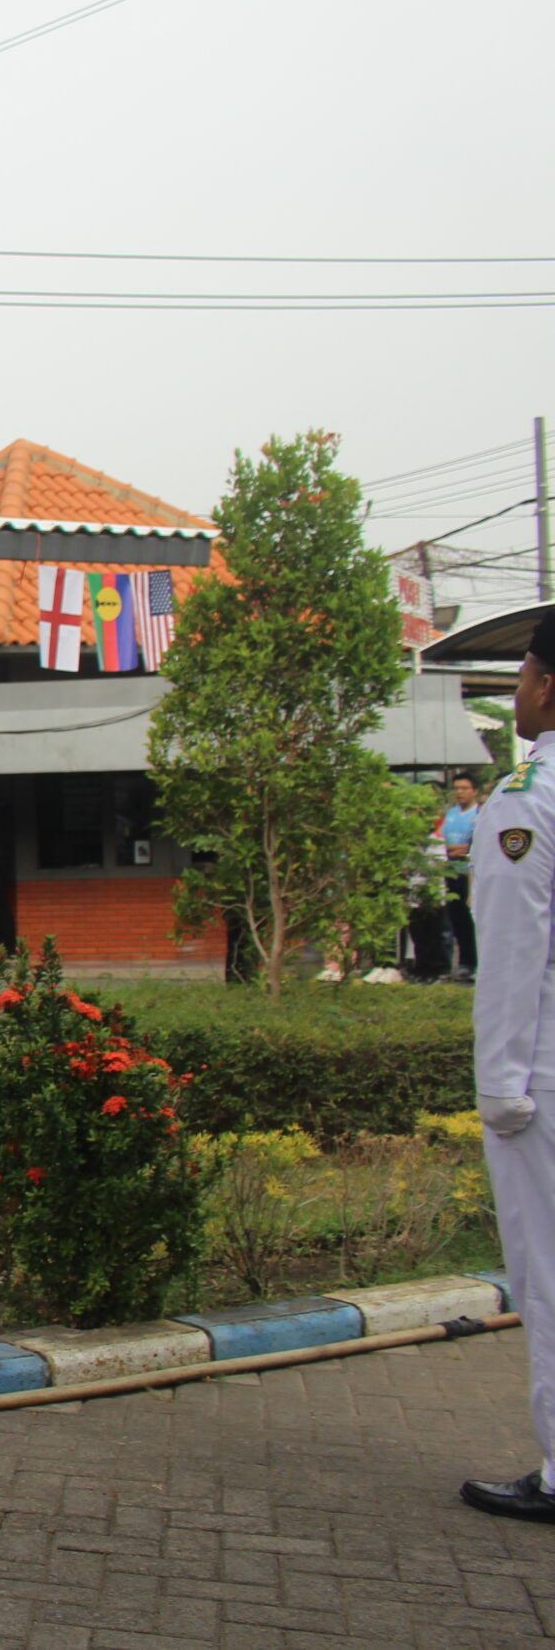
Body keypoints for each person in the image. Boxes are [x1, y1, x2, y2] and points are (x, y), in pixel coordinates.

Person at [460, 615, 555, 1525]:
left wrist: (500, 1087)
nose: (518, 690)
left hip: (545, 1069)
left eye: (524, 672)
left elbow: (515, 955)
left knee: (548, 1268)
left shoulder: (528, 798)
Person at [441, 770, 481, 982]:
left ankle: (476, 962)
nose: (460, 792)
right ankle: (464, 962)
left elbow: (472, 846)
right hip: (450, 874)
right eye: (456, 788)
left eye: (464, 788)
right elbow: (445, 845)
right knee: (456, 921)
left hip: (469, 874)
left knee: (471, 919)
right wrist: (456, 849)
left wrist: (459, 849)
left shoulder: (479, 814)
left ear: (474, 791)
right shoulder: (451, 814)